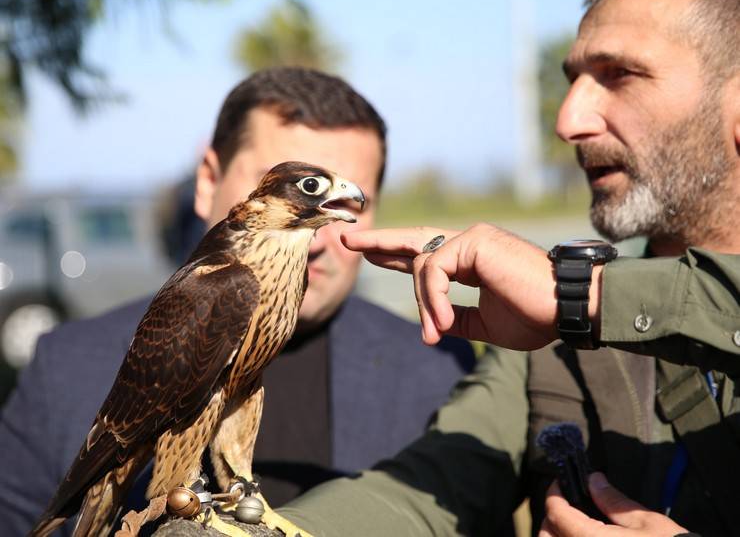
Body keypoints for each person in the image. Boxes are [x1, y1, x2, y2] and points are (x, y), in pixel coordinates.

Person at [274, 0, 740, 536]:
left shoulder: (564, 302)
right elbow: (428, 490)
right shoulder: (543, 334)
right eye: (573, 80)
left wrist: (584, 294)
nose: (568, 121)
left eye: (620, 75)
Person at [0, 67, 474, 536]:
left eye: (353, 203)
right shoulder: (69, 361)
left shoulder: (438, 363)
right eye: (309, 188)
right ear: (209, 181)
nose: (329, 234)